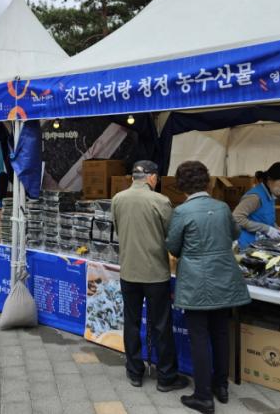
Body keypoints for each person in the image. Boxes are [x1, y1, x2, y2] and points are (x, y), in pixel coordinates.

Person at [166, 161, 251, 414]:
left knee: (199, 338)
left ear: (181, 185)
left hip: (196, 281)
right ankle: (220, 387)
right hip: (224, 276)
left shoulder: (182, 211)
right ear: (208, 182)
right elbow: (235, 233)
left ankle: (203, 396)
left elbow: (173, 246)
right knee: (221, 332)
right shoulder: (222, 207)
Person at [112, 160, 189, 392]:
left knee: (131, 323)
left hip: (128, 271)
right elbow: (172, 236)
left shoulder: (118, 199)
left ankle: (134, 372)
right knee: (161, 325)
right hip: (155, 273)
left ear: (132, 177)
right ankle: (166, 376)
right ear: (152, 178)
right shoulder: (160, 201)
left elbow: (118, 229)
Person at [233, 162, 280, 248]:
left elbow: (265, 218)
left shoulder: (270, 195)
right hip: (247, 244)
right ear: (270, 180)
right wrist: (266, 229)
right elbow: (236, 218)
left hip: (260, 242)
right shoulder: (255, 197)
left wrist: (275, 228)